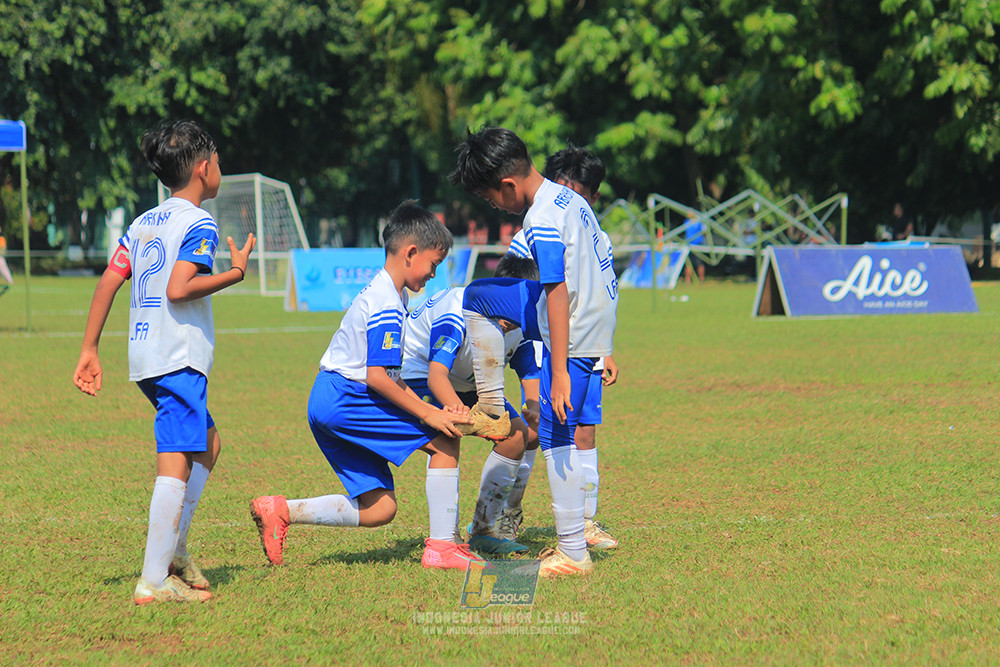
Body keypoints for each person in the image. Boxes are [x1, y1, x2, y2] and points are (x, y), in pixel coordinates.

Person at [72, 119, 256, 605]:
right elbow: (179, 288)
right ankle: (154, 580)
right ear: (202, 168)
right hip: (177, 356)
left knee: (208, 443)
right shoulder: (200, 222)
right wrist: (235, 273)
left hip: (145, 353)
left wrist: (90, 348)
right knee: (175, 458)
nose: (220, 167)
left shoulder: (144, 221)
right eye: (217, 159)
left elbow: (109, 281)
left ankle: (174, 550)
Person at [249, 201, 483, 571]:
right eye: (433, 265)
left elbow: (387, 374)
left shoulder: (389, 293)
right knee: (445, 440)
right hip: (348, 397)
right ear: (410, 253)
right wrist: (430, 412)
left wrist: (431, 408)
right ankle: (443, 547)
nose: (434, 275)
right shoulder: (387, 301)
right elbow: (377, 376)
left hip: (328, 398)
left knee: (380, 509)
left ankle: (280, 510)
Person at [450, 128, 618, 576]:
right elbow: (602, 265)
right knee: (478, 295)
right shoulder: (570, 200)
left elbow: (558, 289)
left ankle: (572, 553)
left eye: (492, 200)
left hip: (572, 330)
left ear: (507, 186)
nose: (496, 208)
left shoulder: (541, 218)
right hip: (588, 323)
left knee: (556, 435)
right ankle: (490, 401)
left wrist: (560, 368)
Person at [499, 144, 619, 551]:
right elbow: (521, 280)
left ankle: (582, 524)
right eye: (566, 186)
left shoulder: (589, 228)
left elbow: (598, 291)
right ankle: (506, 515)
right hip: (547, 338)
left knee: (581, 429)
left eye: (580, 189)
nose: (572, 195)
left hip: (580, 342)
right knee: (540, 427)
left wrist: (605, 352)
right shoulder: (538, 227)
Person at [401, 255, 541, 556]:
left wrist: (534, 409)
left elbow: (529, 372)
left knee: (519, 436)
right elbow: (436, 374)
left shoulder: (522, 318)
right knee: (447, 434)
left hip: (469, 381)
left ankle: (483, 529)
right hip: (418, 374)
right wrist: (457, 411)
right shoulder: (456, 312)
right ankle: (444, 538)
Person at [684, 215, 707, 283]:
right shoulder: (687, 222)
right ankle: (687, 280)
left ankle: (701, 279)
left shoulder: (699, 222)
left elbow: (704, 231)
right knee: (689, 263)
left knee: (699, 263)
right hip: (689, 245)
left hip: (698, 245)